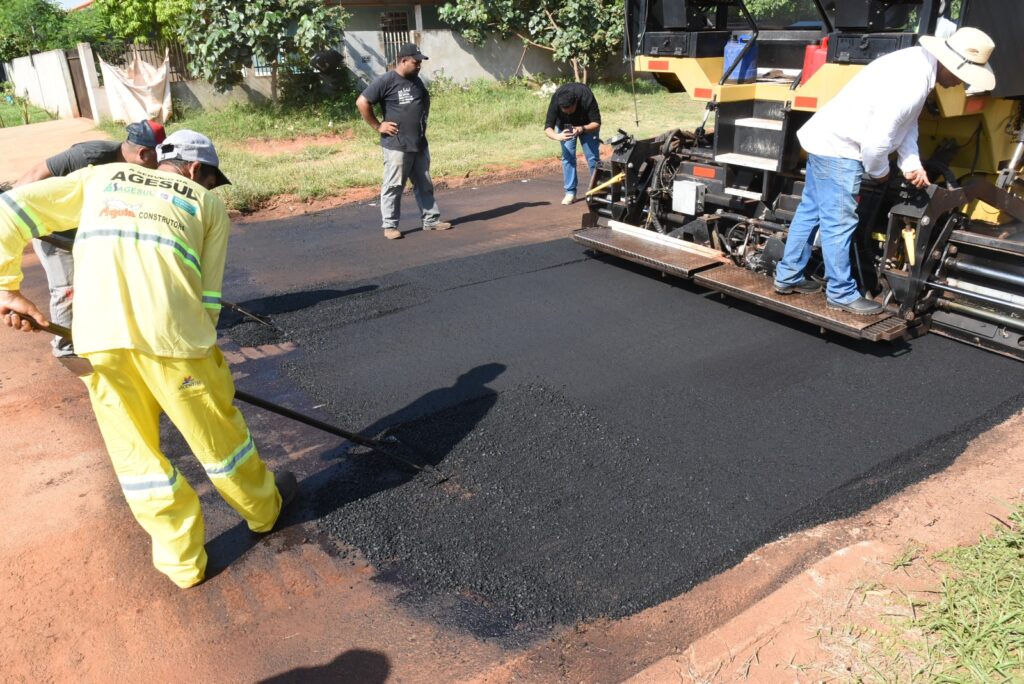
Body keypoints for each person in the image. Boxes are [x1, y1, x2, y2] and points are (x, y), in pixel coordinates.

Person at [0, 130, 298, 589]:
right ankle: (263, 510)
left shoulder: (100, 178)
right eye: (212, 180)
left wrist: (7, 288)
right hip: (175, 343)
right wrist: (205, 365)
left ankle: (182, 565)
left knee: (136, 456)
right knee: (221, 441)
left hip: (98, 340)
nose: (211, 188)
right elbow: (208, 300)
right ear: (196, 170)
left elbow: (10, 208)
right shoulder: (207, 205)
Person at [773, 27, 996, 315]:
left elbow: (907, 124)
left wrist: (911, 164)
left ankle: (788, 276)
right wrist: (880, 173)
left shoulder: (916, 62)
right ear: (950, 65)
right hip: (840, 149)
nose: (960, 84)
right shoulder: (913, 83)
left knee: (811, 211)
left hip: (825, 139)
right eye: (962, 76)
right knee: (839, 222)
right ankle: (840, 293)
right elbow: (876, 144)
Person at [15, 119, 167, 360]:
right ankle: (66, 349)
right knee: (67, 289)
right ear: (143, 154)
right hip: (55, 233)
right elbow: (32, 177)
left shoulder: (135, 171)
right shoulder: (89, 156)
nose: (160, 167)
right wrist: (23, 220)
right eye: (158, 160)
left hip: (89, 231)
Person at [356, 43, 451, 240]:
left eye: (420, 63)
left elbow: (423, 101)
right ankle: (390, 226)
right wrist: (378, 126)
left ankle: (431, 220)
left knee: (424, 183)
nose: (419, 66)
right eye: (416, 62)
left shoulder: (416, 80)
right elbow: (362, 102)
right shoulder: (387, 81)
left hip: (419, 143)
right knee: (394, 186)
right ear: (403, 60)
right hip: (397, 144)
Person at [544, 82, 602, 205]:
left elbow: (596, 123)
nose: (568, 114)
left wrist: (582, 129)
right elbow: (548, 127)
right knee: (568, 157)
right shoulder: (556, 99)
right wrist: (558, 136)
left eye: (570, 111)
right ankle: (570, 192)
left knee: (593, 158)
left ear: (575, 103)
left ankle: (597, 191)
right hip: (567, 126)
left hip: (587, 124)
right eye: (565, 112)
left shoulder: (586, 96)